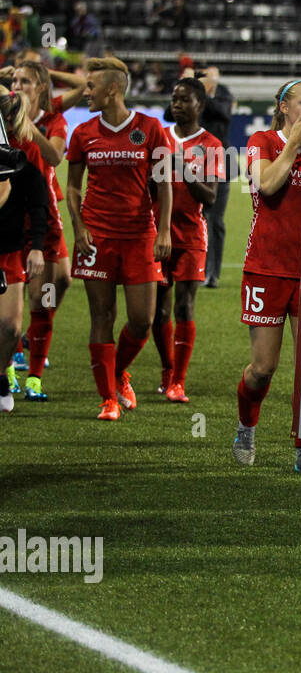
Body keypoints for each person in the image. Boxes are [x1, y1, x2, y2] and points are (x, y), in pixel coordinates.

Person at [63, 58, 173, 421]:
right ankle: (107, 398)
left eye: (91, 87)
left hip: (140, 235)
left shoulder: (149, 128)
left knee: (142, 319)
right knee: (101, 316)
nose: (86, 93)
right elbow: (73, 187)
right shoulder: (83, 134)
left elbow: (164, 184)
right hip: (97, 236)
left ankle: (116, 370)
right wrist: (79, 227)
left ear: (112, 89)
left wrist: (164, 229)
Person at [233, 79, 301, 474]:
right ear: (285, 107)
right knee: (262, 369)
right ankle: (246, 427)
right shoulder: (262, 141)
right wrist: (294, 145)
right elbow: (267, 184)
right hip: (266, 269)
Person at [151, 78, 220, 403]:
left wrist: (182, 166)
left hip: (191, 234)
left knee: (184, 305)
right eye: (174, 99)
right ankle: (167, 371)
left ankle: (179, 381)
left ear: (200, 105)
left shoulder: (211, 144)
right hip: (157, 233)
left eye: (184, 100)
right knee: (157, 312)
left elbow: (209, 196)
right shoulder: (157, 137)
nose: (177, 104)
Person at [6, 61, 69, 400]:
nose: (18, 85)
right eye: (14, 80)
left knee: (49, 293)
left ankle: (33, 370)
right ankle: (14, 362)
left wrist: (27, 122)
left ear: (41, 87)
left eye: (26, 81)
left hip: (42, 216)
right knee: (15, 296)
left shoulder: (51, 121)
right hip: (9, 221)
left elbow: (56, 158)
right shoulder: (3, 118)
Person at [0, 91, 48, 413]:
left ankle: (1, 377)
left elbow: (39, 199)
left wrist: (39, 248)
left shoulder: (26, 151)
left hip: (8, 247)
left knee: (10, 327)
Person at [198, 66, 233, 288]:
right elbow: (170, 114)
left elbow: (223, 113)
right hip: (197, 163)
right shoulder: (194, 96)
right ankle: (198, 269)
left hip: (221, 163)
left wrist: (202, 93)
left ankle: (212, 273)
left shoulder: (223, 94)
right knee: (198, 218)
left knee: (215, 219)